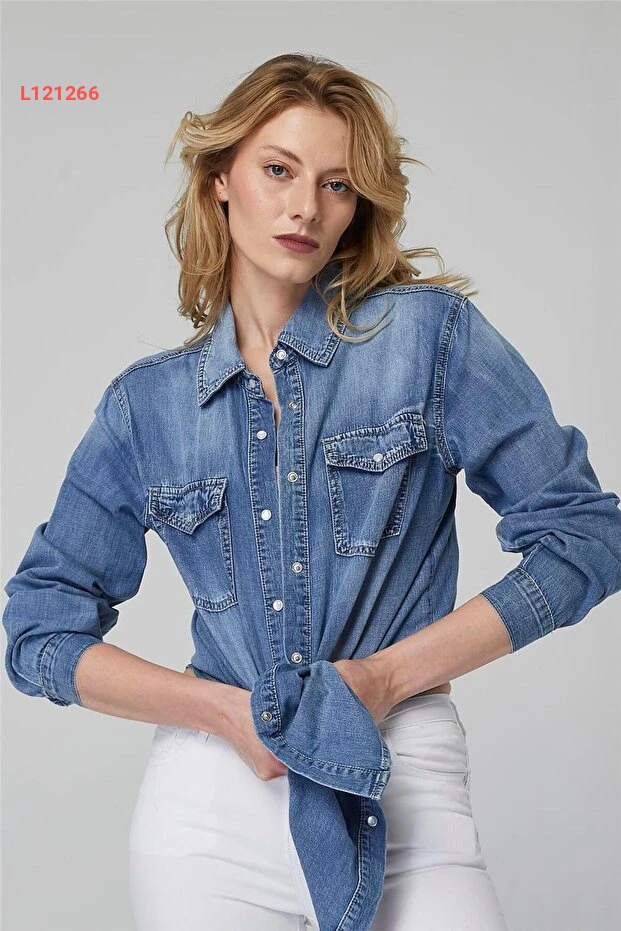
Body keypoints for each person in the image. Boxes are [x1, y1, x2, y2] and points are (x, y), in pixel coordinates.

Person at [3, 52, 621, 931]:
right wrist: (222, 713)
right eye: (278, 170)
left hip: (400, 769)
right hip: (212, 803)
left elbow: (587, 537)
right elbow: (39, 626)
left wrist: (384, 676)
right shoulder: (148, 406)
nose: (305, 208)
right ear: (221, 179)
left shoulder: (427, 339)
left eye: (336, 184)